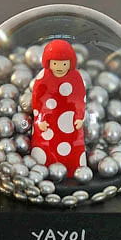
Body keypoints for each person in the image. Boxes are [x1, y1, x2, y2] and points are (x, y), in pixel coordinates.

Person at [30, 39, 86, 176]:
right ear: (48, 62)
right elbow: (37, 100)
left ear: (71, 63)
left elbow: (80, 99)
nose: (60, 67)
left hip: (70, 121)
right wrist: (39, 119)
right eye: (55, 63)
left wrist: (79, 117)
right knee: (45, 148)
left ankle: (74, 170)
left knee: (72, 147)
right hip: (48, 121)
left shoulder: (76, 77)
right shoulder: (43, 77)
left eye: (64, 64)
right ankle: (41, 170)